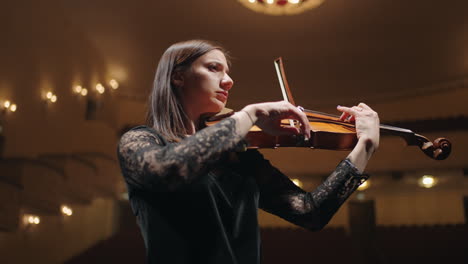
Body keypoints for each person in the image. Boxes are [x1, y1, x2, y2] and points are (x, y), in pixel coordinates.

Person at [117, 39, 380, 264]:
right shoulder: (141, 140)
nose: (229, 80)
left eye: (228, 72)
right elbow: (168, 169)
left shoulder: (238, 156)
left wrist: (365, 147)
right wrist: (250, 115)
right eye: (213, 68)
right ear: (177, 76)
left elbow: (310, 212)